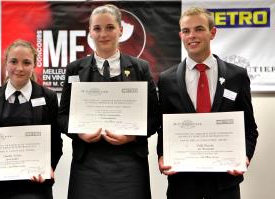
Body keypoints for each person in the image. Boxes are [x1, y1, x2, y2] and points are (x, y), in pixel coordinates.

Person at [58, 4, 159, 199]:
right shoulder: (74, 69)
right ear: (90, 32)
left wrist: (133, 136)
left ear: (121, 30)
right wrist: (79, 133)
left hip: (130, 163)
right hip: (87, 163)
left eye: (110, 27)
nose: (103, 34)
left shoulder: (140, 68)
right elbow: (62, 117)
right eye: (97, 28)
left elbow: (154, 117)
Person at [157, 7, 259, 199]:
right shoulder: (166, 79)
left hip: (225, 184)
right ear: (180, 35)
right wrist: (162, 155)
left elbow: (250, 128)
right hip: (182, 184)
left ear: (212, 33)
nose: (192, 36)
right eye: (186, 31)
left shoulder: (237, 76)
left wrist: (244, 156)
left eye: (199, 29)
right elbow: (165, 128)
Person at [0, 39, 63, 199]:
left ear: (34, 65)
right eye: (13, 61)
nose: (19, 68)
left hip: (34, 185)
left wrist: (48, 167)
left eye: (26, 62)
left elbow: (55, 141)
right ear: (6, 63)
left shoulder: (49, 97)